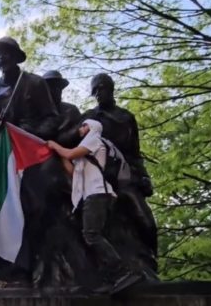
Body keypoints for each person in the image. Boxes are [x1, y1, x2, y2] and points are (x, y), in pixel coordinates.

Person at [47, 119, 142, 292]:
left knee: (91, 234)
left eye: (83, 125)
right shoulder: (86, 148)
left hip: (97, 193)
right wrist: (58, 154)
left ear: (91, 127)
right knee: (93, 235)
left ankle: (122, 271)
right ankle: (110, 278)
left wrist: (55, 146)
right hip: (93, 195)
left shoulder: (94, 138)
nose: (80, 128)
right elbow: (72, 171)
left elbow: (70, 154)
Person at [82, 73, 157, 256]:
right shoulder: (89, 117)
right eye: (95, 90)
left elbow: (135, 153)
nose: (98, 93)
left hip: (124, 177)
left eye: (102, 88)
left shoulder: (126, 117)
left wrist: (144, 176)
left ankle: (151, 259)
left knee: (146, 221)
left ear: (111, 88)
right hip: (98, 179)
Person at [0, 37, 59, 144]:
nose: (0, 58)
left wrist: (30, 134)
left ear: (15, 57)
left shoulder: (35, 82)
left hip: (28, 143)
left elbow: (52, 119)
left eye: (5, 53)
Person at [42, 70, 81, 147]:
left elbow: (81, 135)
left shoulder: (72, 110)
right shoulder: (37, 111)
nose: (56, 89)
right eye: (51, 86)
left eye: (59, 86)